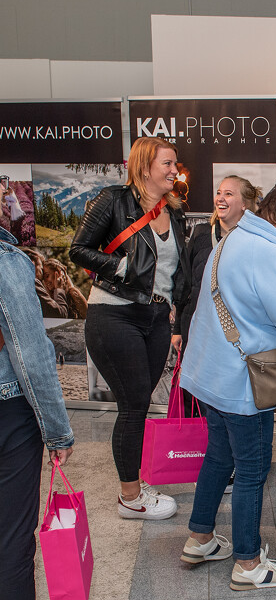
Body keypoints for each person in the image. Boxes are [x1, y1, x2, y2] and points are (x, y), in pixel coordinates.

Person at [178, 178, 276, 589]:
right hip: (242, 385)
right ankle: (248, 564)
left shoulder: (235, 236)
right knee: (252, 470)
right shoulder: (266, 251)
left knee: (219, 458)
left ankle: (200, 537)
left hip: (212, 374)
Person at [69, 136, 190, 521]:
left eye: (175, 164)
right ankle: (130, 497)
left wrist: (173, 306)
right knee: (134, 404)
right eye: (167, 164)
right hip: (115, 315)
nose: (175, 170)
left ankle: (135, 484)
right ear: (144, 167)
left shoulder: (177, 213)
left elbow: (172, 271)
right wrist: (120, 268)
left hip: (155, 319)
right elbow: (78, 249)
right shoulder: (114, 201)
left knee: (140, 405)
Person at [0, 226, 81, 600]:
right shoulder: (6, 261)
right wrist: (57, 430)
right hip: (7, 414)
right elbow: (31, 356)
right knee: (11, 540)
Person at [172, 175, 262, 353]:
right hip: (197, 326)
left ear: (244, 204)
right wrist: (177, 330)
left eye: (228, 194)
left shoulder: (254, 241)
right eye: (219, 192)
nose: (220, 198)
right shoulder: (201, 234)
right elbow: (186, 282)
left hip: (236, 331)